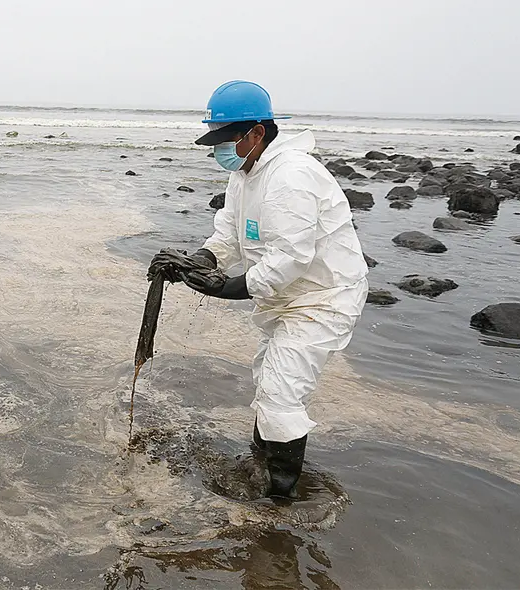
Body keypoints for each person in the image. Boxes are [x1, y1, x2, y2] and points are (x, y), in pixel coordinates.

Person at [151, 80, 368, 498]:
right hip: (287, 296)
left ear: (254, 133)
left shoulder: (291, 177)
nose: (218, 150)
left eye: (224, 139)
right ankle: (261, 460)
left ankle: (278, 500)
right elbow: (229, 234)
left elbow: (291, 258)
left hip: (321, 297)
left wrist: (227, 288)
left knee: (281, 389)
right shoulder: (247, 172)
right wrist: (201, 261)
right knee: (268, 375)